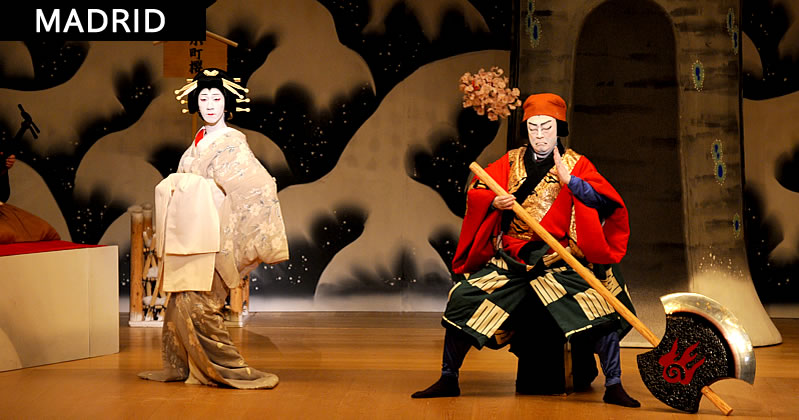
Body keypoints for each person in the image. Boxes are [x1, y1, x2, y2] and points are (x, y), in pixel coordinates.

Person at [412, 93, 640, 407]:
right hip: (513, 260)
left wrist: (572, 183)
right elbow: (477, 190)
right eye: (533, 128)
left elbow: (605, 201)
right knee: (463, 298)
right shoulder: (510, 161)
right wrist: (494, 202)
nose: (540, 135)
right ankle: (448, 377)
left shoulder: (577, 164)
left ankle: (614, 384)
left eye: (547, 127)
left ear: (559, 128)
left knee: (598, 307)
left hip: (558, 260)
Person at [138, 68, 289, 389]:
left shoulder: (232, 143)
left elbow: (257, 187)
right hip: (188, 237)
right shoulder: (197, 143)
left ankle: (227, 368)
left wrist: (204, 195)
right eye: (204, 98)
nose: (209, 104)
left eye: (216, 98)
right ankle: (187, 366)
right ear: (195, 102)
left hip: (212, 236)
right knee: (180, 302)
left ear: (227, 103)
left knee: (202, 306)